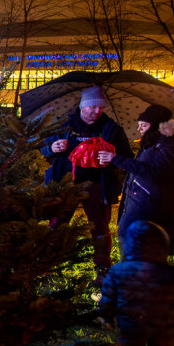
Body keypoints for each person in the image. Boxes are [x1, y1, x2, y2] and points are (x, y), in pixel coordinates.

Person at [43, 85, 133, 283]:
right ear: (82, 106)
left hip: (97, 184)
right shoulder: (64, 125)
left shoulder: (110, 129)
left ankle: (102, 268)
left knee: (99, 227)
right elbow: (43, 147)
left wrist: (112, 157)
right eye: (92, 107)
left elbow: (127, 156)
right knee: (57, 223)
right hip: (66, 184)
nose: (96, 111)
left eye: (100, 107)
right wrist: (52, 147)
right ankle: (47, 264)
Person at [102, 119, 174, 252]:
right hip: (140, 210)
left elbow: (153, 173)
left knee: (141, 257)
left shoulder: (171, 147)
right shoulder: (157, 145)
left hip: (149, 213)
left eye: (144, 125)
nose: (139, 129)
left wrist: (117, 159)